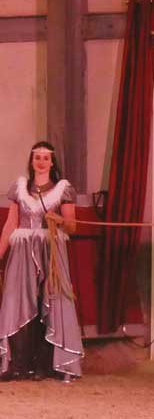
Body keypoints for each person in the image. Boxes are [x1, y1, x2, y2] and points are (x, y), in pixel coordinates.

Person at [0, 141, 83, 382]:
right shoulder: (19, 188)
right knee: (16, 302)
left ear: (52, 162)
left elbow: (73, 226)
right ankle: (17, 364)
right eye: (38, 157)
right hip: (23, 251)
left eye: (46, 158)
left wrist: (58, 219)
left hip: (51, 251)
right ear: (32, 160)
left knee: (53, 301)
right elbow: (11, 224)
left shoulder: (63, 190)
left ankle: (48, 364)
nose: (42, 161)